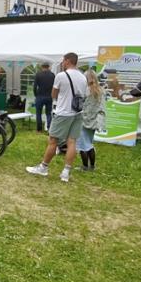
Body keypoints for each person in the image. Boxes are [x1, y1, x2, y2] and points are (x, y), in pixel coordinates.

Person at [26, 52, 88, 183]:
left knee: (53, 141)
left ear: (67, 61)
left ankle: (43, 167)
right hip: (77, 113)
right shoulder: (83, 77)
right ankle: (65, 172)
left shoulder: (61, 75)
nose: (62, 62)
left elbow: (54, 94)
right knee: (72, 142)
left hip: (63, 112)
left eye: (63, 60)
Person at [78, 69, 106, 171]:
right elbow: (102, 108)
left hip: (83, 120)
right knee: (89, 143)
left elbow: (80, 105)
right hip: (94, 121)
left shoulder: (85, 90)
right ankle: (92, 166)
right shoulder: (100, 90)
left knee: (82, 145)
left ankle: (85, 166)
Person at [33, 62, 56, 133]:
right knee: (49, 113)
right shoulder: (52, 75)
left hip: (40, 96)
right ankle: (49, 129)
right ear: (48, 67)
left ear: (42, 67)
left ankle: (39, 130)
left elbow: (34, 86)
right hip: (49, 96)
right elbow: (54, 86)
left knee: (38, 113)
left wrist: (36, 94)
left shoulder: (38, 74)